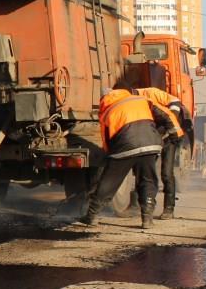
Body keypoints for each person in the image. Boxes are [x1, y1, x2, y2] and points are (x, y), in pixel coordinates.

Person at [82, 84, 179, 229]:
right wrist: (173, 133)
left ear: (105, 98)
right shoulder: (141, 100)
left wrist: (110, 156)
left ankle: (92, 216)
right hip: (150, 145)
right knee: (147, 180)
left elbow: (106, 138)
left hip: (125, 147)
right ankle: (147, 219)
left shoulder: (108, 110)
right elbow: (165, 115)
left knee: (109, 182)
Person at [132, 87, 191, 219]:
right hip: (154, 135)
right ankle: (140, 205)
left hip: (171, 136)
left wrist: (171, 120)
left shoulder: (150, 93)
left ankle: (169, 209)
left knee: (166, 172)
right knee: (144, 171)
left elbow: (175, 101)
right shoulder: (134, 104)